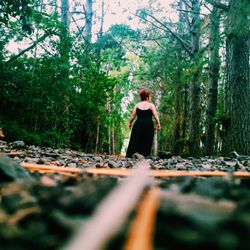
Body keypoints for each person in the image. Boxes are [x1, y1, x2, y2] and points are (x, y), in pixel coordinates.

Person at [126, 89, 161, 158]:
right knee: (147, 139)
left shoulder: (137, 105)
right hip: (148, 124)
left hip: (138, 124)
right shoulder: (151, 105)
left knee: (136, 139)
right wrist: (158, 123)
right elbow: (155, 115)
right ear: (147, 97)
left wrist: (130, 123)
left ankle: (133, 155)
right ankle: (144, 155)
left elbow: (133, 116)